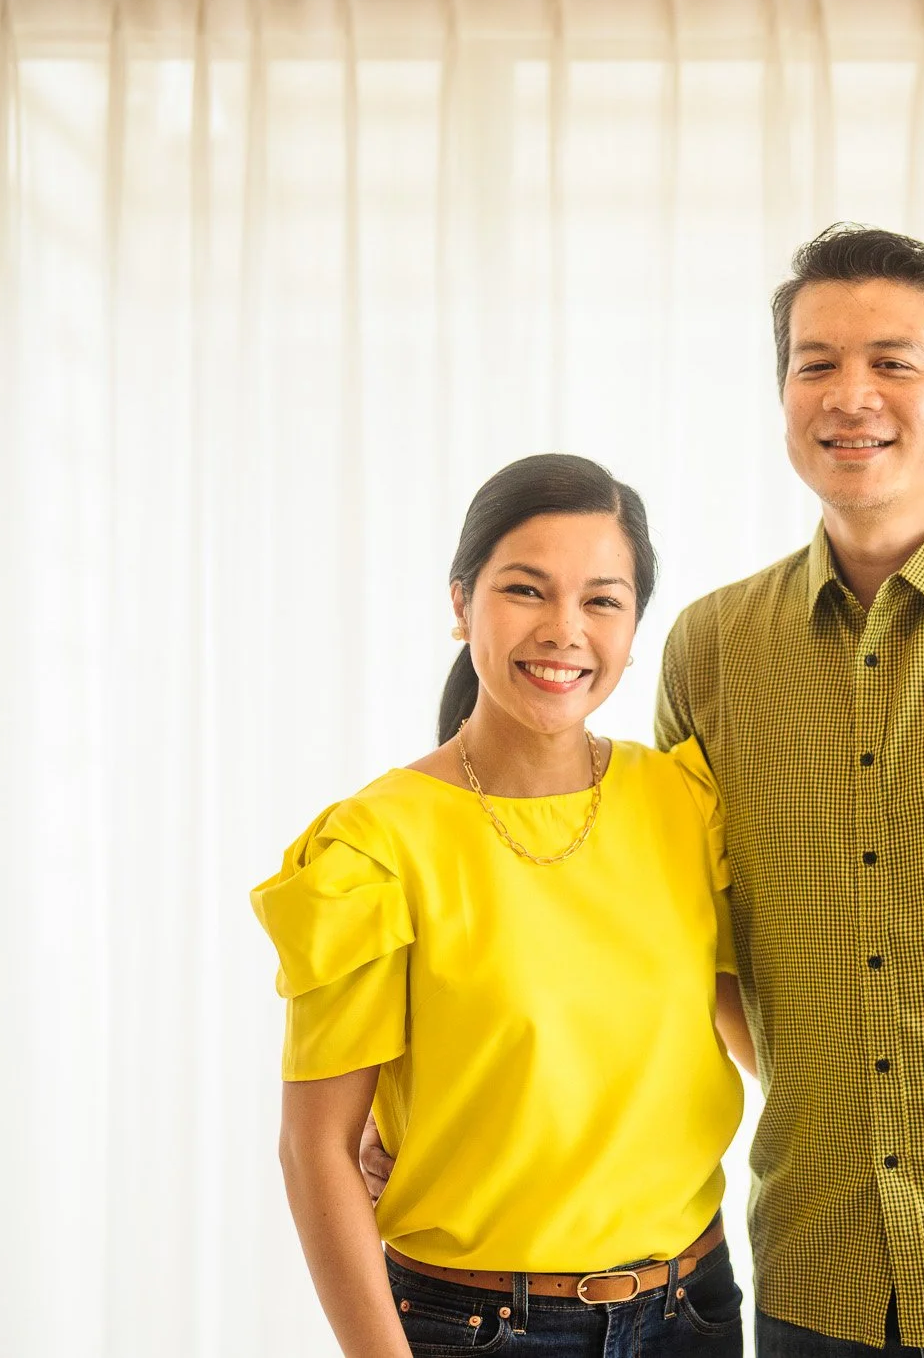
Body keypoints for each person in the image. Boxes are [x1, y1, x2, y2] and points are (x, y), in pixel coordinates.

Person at [368, 225, 924, 1358]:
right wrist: (424, 1099)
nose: (848, 395)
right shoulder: (715, 647)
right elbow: (671, 941)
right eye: (814, 363)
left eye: (893, 362)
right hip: (816, 1283)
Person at [254, 453, 757, 1358]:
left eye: (602, 600)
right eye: (526, 589)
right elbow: (316, 1149)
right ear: (461, 603)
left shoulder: (685, 804)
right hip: (477, 1329)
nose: (564, 630)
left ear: (634, 627)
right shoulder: (373, 845)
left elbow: (756, 1034)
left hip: (693, 1310)